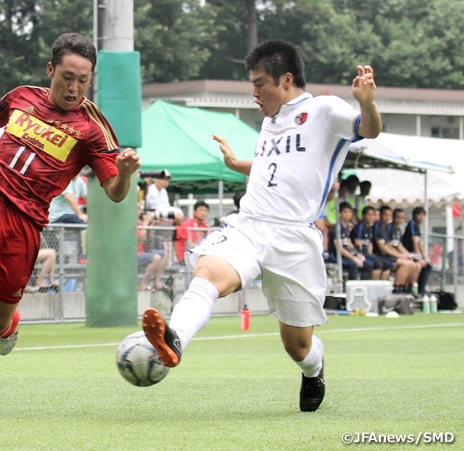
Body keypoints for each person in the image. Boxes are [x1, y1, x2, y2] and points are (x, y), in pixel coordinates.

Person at [140, 39, 382, 413]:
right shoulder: (270, 122)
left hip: (294, 236)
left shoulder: (323, 109)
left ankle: (313, 371)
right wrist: (240, 164)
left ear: (286, 80)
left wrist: (366, 102)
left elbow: (368, 129)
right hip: (250, 225)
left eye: (259, 83)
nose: (253, 92)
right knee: (208, 272)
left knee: (298, 347)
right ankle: (175, 340)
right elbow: (278, 166)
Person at [0, 32, 140, 418]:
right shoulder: (22, 97)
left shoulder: (93, 129)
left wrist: (125, 173)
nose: (74, 87)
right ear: (51, 70)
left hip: (25, 226)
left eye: (84, 80)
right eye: (68, 76)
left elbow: (114, 192)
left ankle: (8, 325)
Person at [373, 206, 417, 294]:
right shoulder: (379, 227)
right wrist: (400, 256)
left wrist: (405, 255)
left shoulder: (386, 228)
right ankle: (397, 288)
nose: (387, 218)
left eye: (389, 215)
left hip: (386, 255)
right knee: (405, 264)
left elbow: (389, 245)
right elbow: (383, 248)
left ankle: (405, 288)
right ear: (380, 215)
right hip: (379, 255)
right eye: (385, 215)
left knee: (412, 264)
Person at [327, 202, 373, 280]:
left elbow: (349, 244)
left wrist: (358, 255)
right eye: (345, 212)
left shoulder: (347, 227)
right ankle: (352, 287)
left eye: (349, 212)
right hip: (336, 255)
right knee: (353, 264)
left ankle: (362, 286)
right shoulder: (337, 228)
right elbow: (340, 248)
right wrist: (353, 258)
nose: (347, 214)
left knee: (368, 265)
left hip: (347, 255)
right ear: (340, 213)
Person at [49, 173, 88, 263]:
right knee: (83, 225)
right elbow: (68, 197)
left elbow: (87, 198)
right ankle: (81, 256)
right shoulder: (66, 178)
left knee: (85, 224)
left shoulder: (79, 181)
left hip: (69, 216)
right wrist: (80, 214)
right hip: (57, 216)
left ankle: (82, 255)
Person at [350, 205, 391, 281]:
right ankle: (372, 287)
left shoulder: (370, 227)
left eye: (373, 215)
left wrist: (371, 255)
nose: (371, 217)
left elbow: (369, 243)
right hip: (361, 254)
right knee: (378, 264)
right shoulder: (360, 227)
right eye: (369, 214)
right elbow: (357, 244)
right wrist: (360, 256)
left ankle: (381, 287)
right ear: (363, 215)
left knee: (387, 265)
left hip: (368, 254)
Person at [137, 204, 170, 292]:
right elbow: (141, 237)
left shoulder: (139, 222)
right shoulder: (131, 222)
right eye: (137, 209)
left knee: (165, 254)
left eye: (139, 209)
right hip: (132, 254)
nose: (139, 211)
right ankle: (143, 283)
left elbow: (148, 237)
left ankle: (156, 282)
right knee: (156, 258)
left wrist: (154, 224)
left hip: (142, 252)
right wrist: (146, 222)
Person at [402, 206, 432, 296]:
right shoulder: (412, 224)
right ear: (414, 215)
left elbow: (420, 242)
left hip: (414, 255)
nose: (421, 217)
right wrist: (419, 258)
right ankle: (409, 288)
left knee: (427, 266)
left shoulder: (418, 227)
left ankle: (421, 290)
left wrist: (424, 257)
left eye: (423, 215)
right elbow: (415, 242)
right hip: (408, 253)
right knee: (419, 265)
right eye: (419, 214)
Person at [175, 200, 210, 264]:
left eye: (205, 211)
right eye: (201, 210)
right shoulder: (187, 224)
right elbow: (189, 243)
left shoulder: (205, 226)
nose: (203, 213)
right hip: (185, 257)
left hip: (199, 256)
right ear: (195, 211)